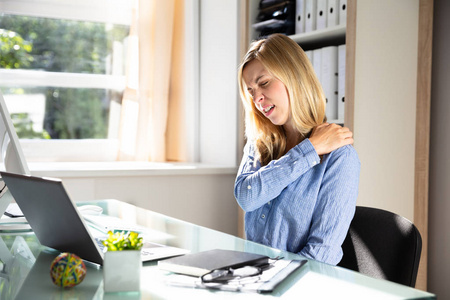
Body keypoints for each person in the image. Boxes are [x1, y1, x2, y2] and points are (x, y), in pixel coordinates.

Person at [234, 33, 360, 265]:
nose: (258, 99)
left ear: (294, 77)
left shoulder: (340, 157)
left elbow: (321, 255)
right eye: (251, 91)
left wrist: (267, 281)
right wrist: (309, 150)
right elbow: (246, 197)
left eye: (263, 83)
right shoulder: (260, 142)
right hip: (253, 278)